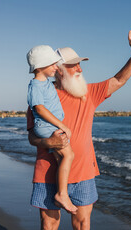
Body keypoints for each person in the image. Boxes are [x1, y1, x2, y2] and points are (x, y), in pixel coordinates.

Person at [27, 29, 131, 230]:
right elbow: (32, 138)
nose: (80, 68)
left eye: (80, 63)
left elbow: (119, 80)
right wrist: (48, 141)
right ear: (58, 69)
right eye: (73, 64)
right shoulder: (41, 98)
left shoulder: (88, 94)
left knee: (82, 228)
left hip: (83, 175)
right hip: (47, 174)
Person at [27, 45, 78, 214]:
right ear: (41, 66)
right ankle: (62, 194)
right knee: (69, 155)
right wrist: (62, 125)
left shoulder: (44, 83)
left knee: (61, 158)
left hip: (49, 127)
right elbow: (40, 109)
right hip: (48, 128)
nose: (57, 67)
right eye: (53, 64)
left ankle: (61, 191)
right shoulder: (35, 85)